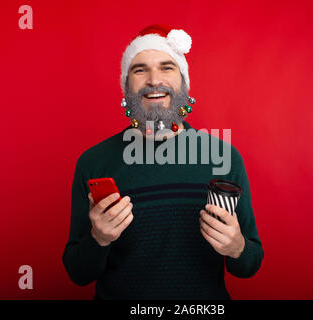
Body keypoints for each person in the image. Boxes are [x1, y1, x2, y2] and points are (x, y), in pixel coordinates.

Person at [62, 24, 264, 300]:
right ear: (125, 86)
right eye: (140, 69)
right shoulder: (93, 162)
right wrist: (99, 239)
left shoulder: (225, 159)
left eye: (167, 67)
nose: (154, 80)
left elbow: (249, 265)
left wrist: (236, 247)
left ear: (183, 83)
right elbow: (78, 273)